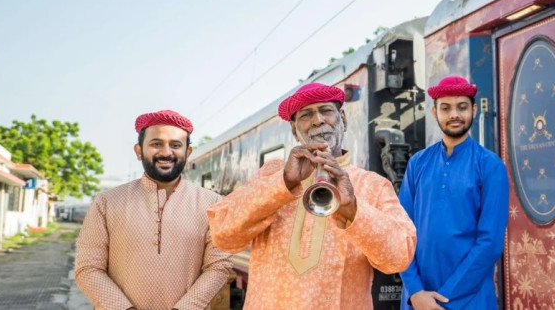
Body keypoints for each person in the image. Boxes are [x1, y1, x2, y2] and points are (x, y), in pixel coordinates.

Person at [206, 83, 417, 309]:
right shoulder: (272, 176)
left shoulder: (372, 185)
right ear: (295, 130)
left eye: (326, 111)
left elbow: (399, 257)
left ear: (343, 119)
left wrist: (354, 210)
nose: (317, 120)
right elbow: (223, 235)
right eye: (306, 115)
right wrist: (283, 184)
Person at [75, 110, 232, 310]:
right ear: (139, 150)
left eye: (175, 145)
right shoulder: (106, 203)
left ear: (188, 152)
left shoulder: (213, 204)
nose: (166, 152)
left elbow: (218, 266)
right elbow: (88, 268)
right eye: (156, 144)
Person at [399, 76, 509, 310]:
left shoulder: (490, 166)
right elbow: (401, 233)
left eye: (462, 107)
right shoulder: (417, 164)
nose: (454, 115)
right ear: (434, 112)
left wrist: (444, 298)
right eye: (446, 108)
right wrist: (416, 292)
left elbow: (489, 244)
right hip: (417, 300)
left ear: (474, 110)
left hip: (470, 299)